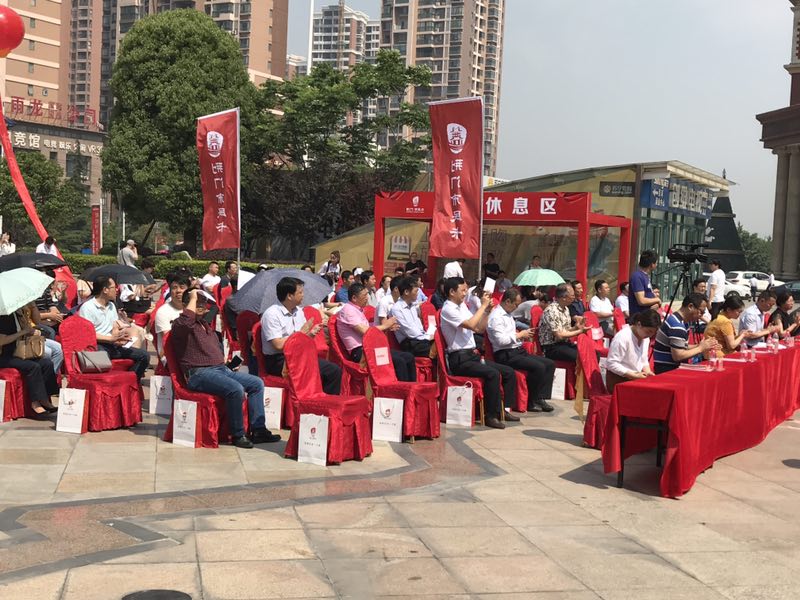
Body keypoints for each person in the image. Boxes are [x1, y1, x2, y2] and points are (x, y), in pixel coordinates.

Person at [172, 289, 279, 448]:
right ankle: (237, 434)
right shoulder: (181, 324)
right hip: (199, 374)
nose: (201, 305)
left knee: (256, 383)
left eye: (203, 302)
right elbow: (186, 321)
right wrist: (193, 297)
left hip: (220, 369)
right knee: (235, 389)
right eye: (196, 302)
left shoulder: (204, 325)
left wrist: (228, 366)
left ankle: (258, 430)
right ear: (187, 305)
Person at [440, 277, 518, 428]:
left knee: (508, 372)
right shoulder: (448, 309)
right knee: (492, 374)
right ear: (451, 292)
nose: (465, 293)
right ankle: (490, 415)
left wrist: (487, 311)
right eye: (462, 290)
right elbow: (470, 324)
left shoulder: (462, 306)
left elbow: (479, 328)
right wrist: (483, 306)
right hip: (460, 359)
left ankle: (503, 409)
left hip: (471, 356)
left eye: (465, 290)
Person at [260, 277, 341, 394]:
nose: (303, 295)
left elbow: (302, 338)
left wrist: (311, 334)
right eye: (300, 292)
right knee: (329, 372)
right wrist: (301, 333)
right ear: (289, 296)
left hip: (298, 355)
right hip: (279, 360)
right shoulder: (272, 314)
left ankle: (322, 401)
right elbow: (278, 345)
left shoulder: (298, 311)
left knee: (333, 370)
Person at [487, 288, 556, 412]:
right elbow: (500, 341)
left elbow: (510, 335)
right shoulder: (496, 317)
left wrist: (523, 336)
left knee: (549, 363)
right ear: (508, 301)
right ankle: (531, 401)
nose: (516, 307)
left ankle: (540, 397)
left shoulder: (508, 314)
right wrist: (519, 335)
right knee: (538, 367)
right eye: (516, 304)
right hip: (505, 353)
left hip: (516, 350)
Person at [336, 283, 416, 382]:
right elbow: (365, 331)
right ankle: (400, 389)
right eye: (364, 295)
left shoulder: (357, 310)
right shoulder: (348, 310)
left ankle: (412, 387)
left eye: (367, 294)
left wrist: (386, 327)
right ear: (354, 298)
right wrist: (385, 326)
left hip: (370, 347)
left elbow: (369, 328)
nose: (367, 298)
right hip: (360, 352)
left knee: (409, 357)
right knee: (399, 361)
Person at [79, 276, 149, 381]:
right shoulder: (87, 307)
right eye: (113, 287)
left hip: (112, 344)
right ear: (105, 290)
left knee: (144, 356)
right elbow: (87, 334)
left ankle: (130, 382)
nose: (116, 290)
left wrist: (119, 338)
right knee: (103, 359)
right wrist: (111, 339)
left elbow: (114, 326)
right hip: (96, 344)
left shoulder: (111, 306)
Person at [0, 308, 59, 414]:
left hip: (19, 353)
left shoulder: (19, 315)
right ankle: (35, 402)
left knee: (47, 363)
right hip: (5, 356)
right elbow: (2, 341)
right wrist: (23, 332)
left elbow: (35, 322)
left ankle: (45, 398)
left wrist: (31, 332)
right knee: (33, 366)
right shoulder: (4, 317)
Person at [653, 293, 719, 374]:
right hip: (667, 370)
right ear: (690, 306)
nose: (701, 316)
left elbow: (682, 346)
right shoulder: (677, 325)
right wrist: (700, 348)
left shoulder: (681, 321)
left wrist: (703, 345)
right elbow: (678, 356)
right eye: (701, 312)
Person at [605, 310, 660, 392]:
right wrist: (633, 375)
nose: (650, 335)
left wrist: (648, 372)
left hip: (635, 378)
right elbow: (611, 363)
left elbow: (643, 360)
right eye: (648, 331)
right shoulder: (623, 337)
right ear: (639, 324)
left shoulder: (646, 338)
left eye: (653, 333)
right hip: (618, 381)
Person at [538, 283, 592, 362]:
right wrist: (579, 331)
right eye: (572, 295)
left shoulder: (566, 309)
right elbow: (559, 336)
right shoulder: (551, 311)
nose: (574, 297)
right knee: (581, 356)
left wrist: (576, 327)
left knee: (592, 353)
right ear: (563, 298)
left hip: (564, 343)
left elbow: (566, 330)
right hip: (551, 347)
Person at [391, 277, 433, 357]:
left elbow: (418, 325)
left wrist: (426, 336)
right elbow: (409, 331)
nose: (418, 294)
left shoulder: (412, 306)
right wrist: (427, 337)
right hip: (409, 343)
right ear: (406, 292)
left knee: (441, 344)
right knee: (437, 348)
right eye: (416, 291)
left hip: (420, 339)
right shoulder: (397, 309)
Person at [154, 274, 191, 361]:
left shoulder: (192, 310)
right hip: (171, 355)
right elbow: (169, 339)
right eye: (174, 288)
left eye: (182, 287)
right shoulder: (163, 311)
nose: (178, 291)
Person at [629, 250, 660, 317]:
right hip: (640, 318)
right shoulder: (637, 276)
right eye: (656, 263)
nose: (656, 265)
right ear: (652, 264)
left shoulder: (645, 276)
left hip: (647, 316)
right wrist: (657, 300)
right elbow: (641, 301)